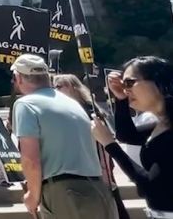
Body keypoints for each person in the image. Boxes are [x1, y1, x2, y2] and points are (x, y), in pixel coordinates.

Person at [11, 54, 117, 219]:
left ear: (18, 78)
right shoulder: (71, 102)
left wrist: (32, 196)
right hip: (96, 187)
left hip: (63, 190)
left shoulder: (26, 104)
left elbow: (30, 159)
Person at [93, 57, 173, 217]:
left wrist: (109, 145)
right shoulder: (162, 123)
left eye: (129, 83)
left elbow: (151, 187)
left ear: (158, 81)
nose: (125, 89)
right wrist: (121, 100)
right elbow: (126, 135)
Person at [54, 74, 129, 219]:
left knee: (111, 202)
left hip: (98, 161)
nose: (55, 90)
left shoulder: (89, 109)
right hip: (81, 163)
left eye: (58, 86)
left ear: (71, 87)